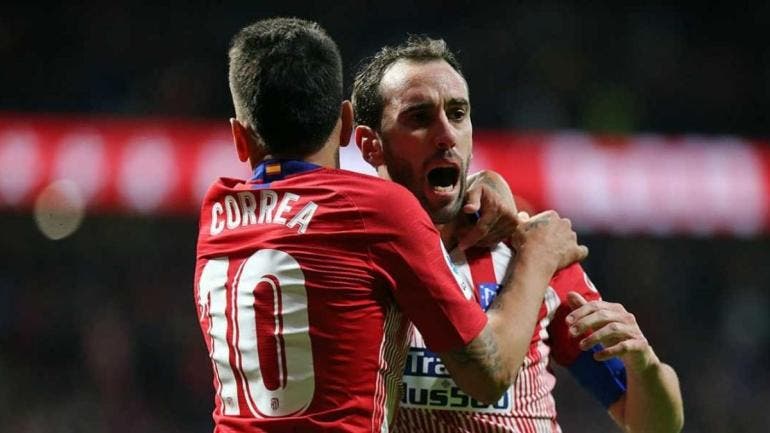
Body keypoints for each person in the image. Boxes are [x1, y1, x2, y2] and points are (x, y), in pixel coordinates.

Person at [193, 18, 587, 432]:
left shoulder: (216, 212)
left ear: (239, 138)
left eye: (457, 113)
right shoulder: (379, 212)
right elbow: (486, 374)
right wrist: (537, 256)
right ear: (347, 125)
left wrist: (483, 183)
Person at [352, 36, 684, 433]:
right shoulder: (347, 256)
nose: (446, 135)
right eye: (420, 118)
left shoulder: (525, 245)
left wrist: (642, 363)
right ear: (372, 146)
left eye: (458, 114)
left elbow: (655, 423)